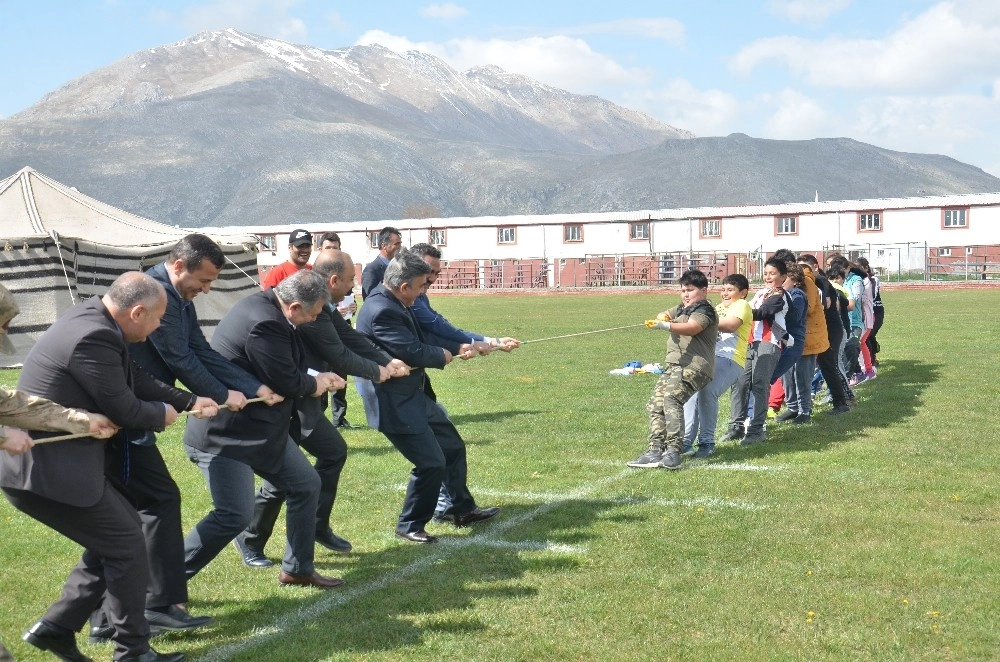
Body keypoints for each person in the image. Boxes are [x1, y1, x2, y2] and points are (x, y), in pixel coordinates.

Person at [1, 272, 217, 662]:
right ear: (136, 312)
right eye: (155, 321)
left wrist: (186, 401)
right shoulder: (93, 336)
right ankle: (131, 652)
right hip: (43, 471)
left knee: (122, 535)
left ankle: (57, 627)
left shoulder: (94, 317)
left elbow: (133, 378)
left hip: (53, 465)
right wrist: (160, 413)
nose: (153, 332)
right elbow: (125, 408)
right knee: (126, 543)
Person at [86, 235, 282, 644]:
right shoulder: (157, 295)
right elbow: (180, 359)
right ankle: (144, 608)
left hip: (135, 414)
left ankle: (124, 612)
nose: (207, 289)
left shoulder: (179, 299)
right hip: (123, 419)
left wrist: (250, 386)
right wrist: (214, 395)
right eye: (203, 279)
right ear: (179, 265)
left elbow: (200, 350)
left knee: (136, 512)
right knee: (146, 508)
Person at [237, 250, 410, 563]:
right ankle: (250, 539)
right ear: (333, 280)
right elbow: (339, 353)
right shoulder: (309, 305)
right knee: (282, 477)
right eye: (349, 281)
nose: (352, 287)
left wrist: (386, 360)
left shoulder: (322, 302)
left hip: (305, 396)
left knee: (332, 452)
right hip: (290, 399)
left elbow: (347, 335)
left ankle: (316, 524)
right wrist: (377, 371)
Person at [182, 269, 346, 589]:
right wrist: (318, 382)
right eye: (312, 315)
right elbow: (284, 380)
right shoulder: (265, 321)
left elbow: (284, 371)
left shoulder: (271, 309)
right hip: (225, 435)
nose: (314, 321)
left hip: (259, 429)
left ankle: (297, 568)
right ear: (294, 306)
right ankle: (162, 584)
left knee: (305, 483)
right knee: (233, 515)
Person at [356, 250, 500, 544]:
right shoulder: (381, 310)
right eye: (422, 285)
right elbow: (412, 350)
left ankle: (460, 509)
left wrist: (466, 345)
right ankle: (409, 523)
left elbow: (425, 338)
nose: (424, 291)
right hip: (393, 403)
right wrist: (445, 354)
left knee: (452, 446)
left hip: (414, 395)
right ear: (404, 286)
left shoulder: (397, 302)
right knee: (431, 462)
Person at [407, 243, 521, 522]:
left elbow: (437, 327)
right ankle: (421, 517)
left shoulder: (417, 293)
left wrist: (485, 342)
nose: (432, 279)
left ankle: (451, 506)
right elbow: (435, 329)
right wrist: (474, 343)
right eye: (428, 272)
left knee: (443, 445)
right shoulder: (401, 298)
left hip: (416, 382)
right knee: (436, 451)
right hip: (398, 389)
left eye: (436, 272)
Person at [628, 269, 718, 470]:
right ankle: (654, 450)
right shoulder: (682, 308)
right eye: (683, 290)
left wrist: (665, 326)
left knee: (671, 399)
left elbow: (693, 328)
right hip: (675, 365)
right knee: (656, 404)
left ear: (703, 291)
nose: (686, 294)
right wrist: (663, 316)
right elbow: (668, 313)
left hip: (694, 367)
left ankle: (673, 452)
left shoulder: (704, 310)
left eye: (690, 290)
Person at [680, 273, 753, 458]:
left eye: (731, 290)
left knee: (707, 391)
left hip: (730, 359)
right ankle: (686, 442)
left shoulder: (742, 305)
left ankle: (707, 443)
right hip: (709, 358)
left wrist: (704, 321)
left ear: (743, 293)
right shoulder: (717, 308)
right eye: (723, 289)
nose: (725, 293)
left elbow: (730, 326)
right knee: (691, 391)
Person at [722, 258, 790, 446]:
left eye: (773, 273)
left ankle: (756, 429)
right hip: (749, 343)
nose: (768, 277)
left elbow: (764, 313)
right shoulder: (759, 293)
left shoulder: (780, 295)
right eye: (766, 273)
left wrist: (739, 311)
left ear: (783, 277)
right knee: (740, 383)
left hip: (769, 343)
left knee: (760, 384)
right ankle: (736, 427)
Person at [798, 255, 851, 415]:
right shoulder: (813, 281)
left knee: (828, 364)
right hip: (822, 328)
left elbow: (827, 303)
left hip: (830, 328)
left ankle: (841, 402)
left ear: (813, 267)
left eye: (804, 268)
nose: (802, 271)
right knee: (824, 365)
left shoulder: (820, 280)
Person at [317, 232, 359, 429]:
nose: (351, 285)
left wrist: (351, 308)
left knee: (340, 376)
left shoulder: (342, 280)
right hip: (323, 340)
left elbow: (347, 330)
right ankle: (319, 418)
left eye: (336, 248)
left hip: (342, 329)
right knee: (323, 375)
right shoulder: (314, 290)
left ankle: (339, 419)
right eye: (329, 248)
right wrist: (376, 368)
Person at [360, 227, 402, 300]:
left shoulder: (400, 266)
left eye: (400, 243)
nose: (399, 247)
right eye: (396, 244)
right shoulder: (371, 270)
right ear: (384, 246)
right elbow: (369, 298)